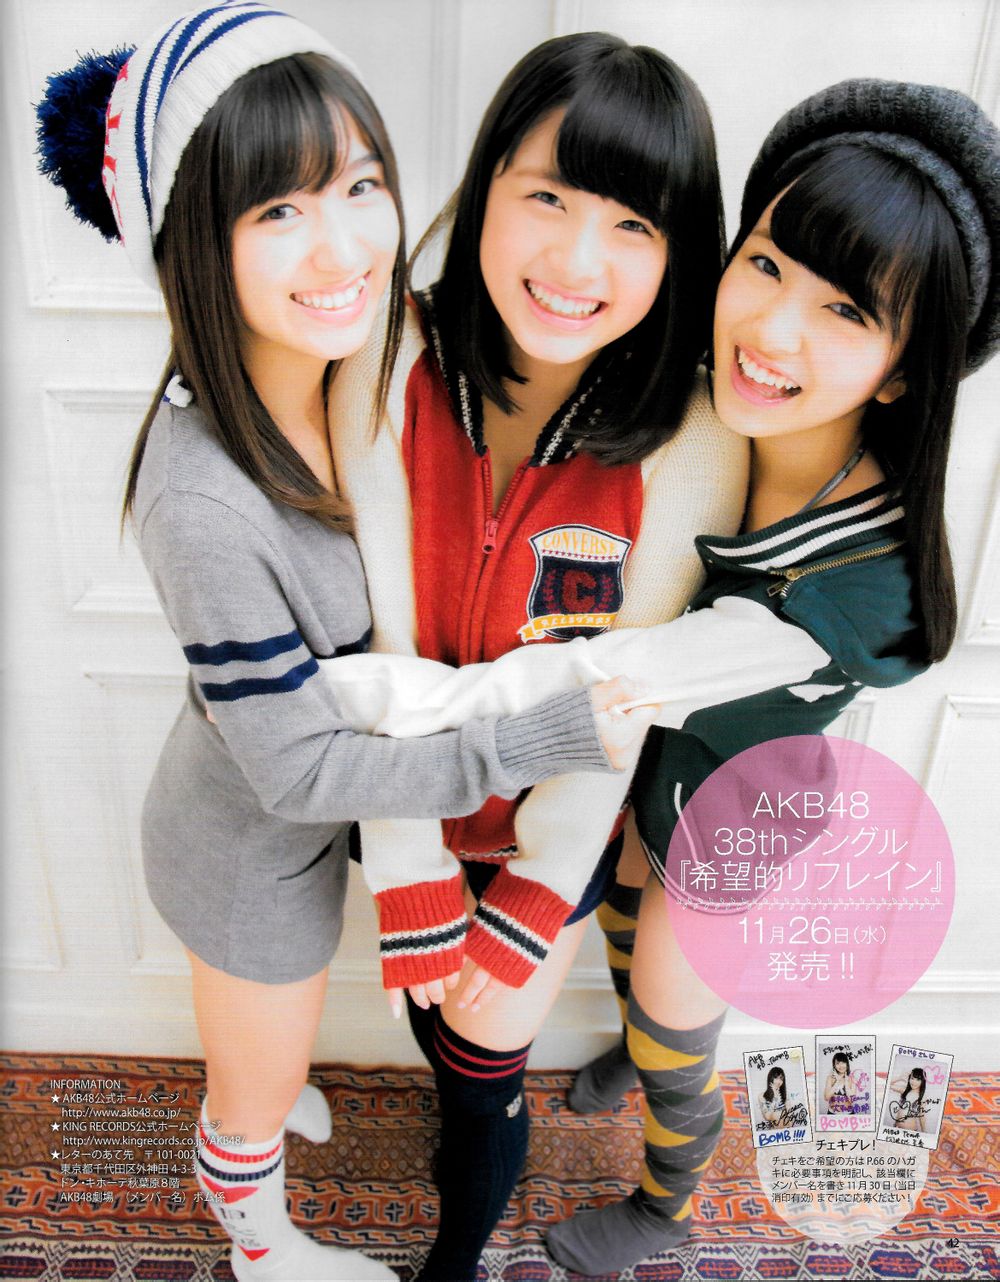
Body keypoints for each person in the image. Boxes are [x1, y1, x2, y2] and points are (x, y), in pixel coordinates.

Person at [326, 74, 1000, 1275]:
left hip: (735, 806)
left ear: (906, 369)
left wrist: (389, 700)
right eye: (766, 265)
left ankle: (664, 1198)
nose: (773, 329)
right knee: (625, 927)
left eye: (845, 312)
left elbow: (611, 672)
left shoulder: (858, 580)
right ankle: (626, 1049)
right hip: (652, 769)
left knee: (674, 1014)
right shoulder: (708, 403)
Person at [34, 7, 647, 1280]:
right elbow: (298, 769)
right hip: (249, 852)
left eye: (361, 186)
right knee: (253, 1088)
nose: (345, 245)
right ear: (192, 246)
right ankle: (256, 1230)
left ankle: (268, 1086)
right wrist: (526, 740)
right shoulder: (202, 499)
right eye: (279, 210)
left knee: (280, 1043)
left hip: (303, 825)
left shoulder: (354, 365)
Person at [328, 32, 748, 1281]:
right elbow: (380, 649)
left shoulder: (690, 435)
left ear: (679, 251)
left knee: (480, 1063)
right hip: (396, 790)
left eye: (632, 224)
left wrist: (531, 894)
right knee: (432, 1027)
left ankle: (453, 1260)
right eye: (547, 197)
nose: (575, 261)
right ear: (485, 189)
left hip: (555, 820)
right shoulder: (385, 355)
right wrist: (407, 861)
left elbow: (621, 696)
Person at [889, 1067, 927, 1132]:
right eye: (912, 1078)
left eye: (918, 1079)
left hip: (910, 1131)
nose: (914, 1082)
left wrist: (924, 1132)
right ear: (909, 1079)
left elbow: (922, 1117)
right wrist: (900, 1077)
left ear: (922, 1081)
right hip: (896, 1128)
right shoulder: (904, 1090)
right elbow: (887, 1084)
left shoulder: (922, 1097)